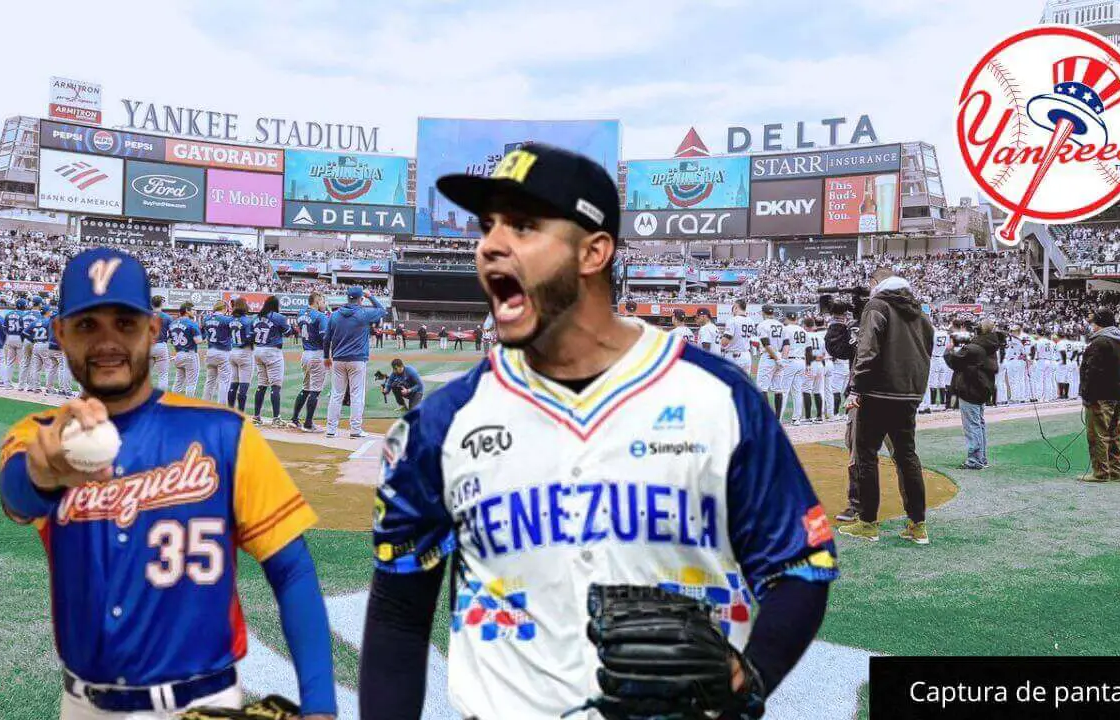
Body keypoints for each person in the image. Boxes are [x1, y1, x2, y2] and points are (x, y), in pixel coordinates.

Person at [358, 143, 836, 720]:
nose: (490, 244)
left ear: (594, 251)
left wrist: (751, 675)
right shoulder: (442, 423)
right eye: (488, 226)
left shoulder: (720, 399)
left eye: (525, 225)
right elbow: (398, 616)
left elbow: (799, 565)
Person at [0, 248, 336, 720]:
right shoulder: (40, 434)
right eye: (87, 325)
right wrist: (43, 473)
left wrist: (320, 705)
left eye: (125, 323)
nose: (107, 342)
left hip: (204, 700)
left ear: (154, 330)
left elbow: (293, 569)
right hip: (84, 706)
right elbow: (16, 494)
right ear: (60, 334)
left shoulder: (225, 433)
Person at [838, 268, 934, 545]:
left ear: (876, 284)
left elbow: (867, 350)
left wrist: (856, 388)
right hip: (908, 394)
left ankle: (868, 523)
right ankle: (918, 525)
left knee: (867, 457)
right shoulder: (921, 314)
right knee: (907, 457)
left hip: (878, 392)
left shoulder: (877, 306)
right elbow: (927, 355)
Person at [323, 286, 386, 439]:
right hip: (357, 360)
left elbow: (326, 339)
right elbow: (382, 310)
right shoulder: (363, 314)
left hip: (338, 360)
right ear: (361, 298)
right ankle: (355, 430)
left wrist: (326, 356)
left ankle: (331, 429)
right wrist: (371, 296)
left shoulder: (335, 315)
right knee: (357, 395)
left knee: (336, 395)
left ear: (347, 297)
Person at [944, 320, 1001, 471]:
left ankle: (975, 460)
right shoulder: (991, 346)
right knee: (979, 425)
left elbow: (953, 362)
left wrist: (948, 350)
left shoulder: (974, 348)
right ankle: (981, 458)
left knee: (972, 426)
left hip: (970, 389)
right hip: (982, 388)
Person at [1080, 309, 1120, 482]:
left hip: (1100, 395)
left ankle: (1100, 472)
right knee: (1114, 434)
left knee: (1097, 434)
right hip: (1117, 394)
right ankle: (1116, 471)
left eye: (1093, 322)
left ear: (1099, 323)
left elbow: (1091, 371)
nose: (1091, 326)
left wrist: (1086, 394)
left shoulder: (1099, 342)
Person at [251, 296, 292, 427]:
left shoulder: (256, 317)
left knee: (262, 384)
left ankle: (256, 417)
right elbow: (289, 332)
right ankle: (276, 419)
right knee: (275, 385)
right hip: (272, 352)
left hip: (258, 350)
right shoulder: (278, 317)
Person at [291, 292, 329, 432]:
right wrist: (327, 355)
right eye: (323, 301)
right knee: (315, 390)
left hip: (305, 353)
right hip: (317, 354)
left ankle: (295, 419)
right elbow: (325, 338)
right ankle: (308, 423)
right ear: (317, 301)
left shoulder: (300, 313)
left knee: (306, 388)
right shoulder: (320, 316)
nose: (324, 304)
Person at [226, 297, 256, 411]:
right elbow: (249, 338)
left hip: (233, 351)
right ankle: (241, 413)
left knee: (233, 383)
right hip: (244, 352)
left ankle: (230, 411)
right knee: (244, 385)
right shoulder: (247, 320)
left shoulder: (231, 320)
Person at [200, 301, 233, 405]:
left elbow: (202, 332)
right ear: (224, 308)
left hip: (210, 351)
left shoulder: (206, 318)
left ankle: (205, 405)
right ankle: (221, 407)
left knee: (210, 381)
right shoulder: (226, 319)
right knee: (224, 381)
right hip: (223, 352)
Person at [169, 302, 201, 397]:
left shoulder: (173, 323)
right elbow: (198, 341)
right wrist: (204, 335)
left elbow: (172, 339)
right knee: (191, 383)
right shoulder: (191, 323)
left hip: (178, 354)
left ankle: (171, 405)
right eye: (192, 309)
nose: (194, 311)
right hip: (190, 354)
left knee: (178, 382)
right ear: (187, 311)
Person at [722, 299, 754, 376]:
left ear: (736, 307)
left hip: (734, 356)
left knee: (730, 384)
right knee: (744, 384)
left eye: (733, 307)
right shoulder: (751, 321)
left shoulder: (732, 320)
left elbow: (724, 342)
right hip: (747, 355)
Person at [149, 295, 172, 391]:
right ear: (161, 304)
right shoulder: (167, 317)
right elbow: (172, 332)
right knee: (163, 375)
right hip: (161, 345)